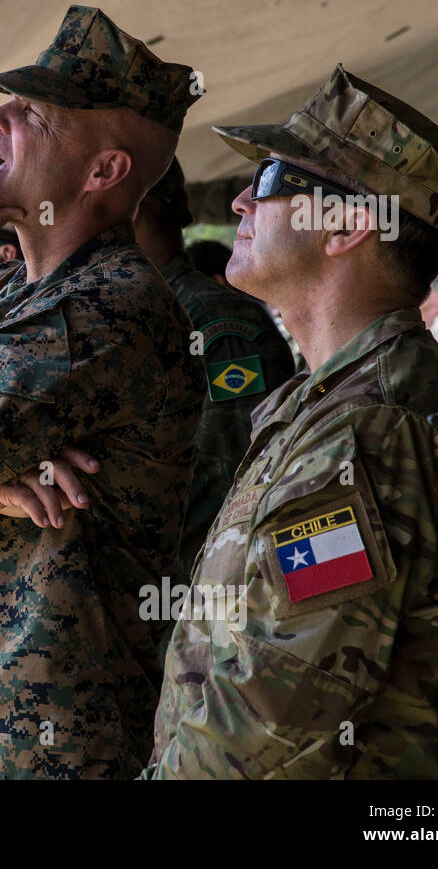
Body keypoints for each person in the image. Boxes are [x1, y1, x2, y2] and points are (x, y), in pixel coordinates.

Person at [143, 64, 438, 778]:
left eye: (274, 183)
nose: (244, 200)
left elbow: (272, 710)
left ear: (347, 226)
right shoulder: (336, 404)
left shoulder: (368, 431)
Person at [0, 5, 203, 777]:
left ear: (103, 172)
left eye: (31, 115)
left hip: (41, 750)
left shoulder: (108, 306)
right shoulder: (2, 299)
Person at [133, 157, 295, 574]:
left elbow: (232, 473)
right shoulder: (143, 308)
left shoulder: (213, 322)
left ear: (133, 212)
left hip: (190, 587)